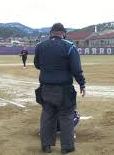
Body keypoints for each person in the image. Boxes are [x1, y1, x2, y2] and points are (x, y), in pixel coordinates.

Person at [34, 23, 86, 154]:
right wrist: (82, 84)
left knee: (47, 115)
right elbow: (76, 69)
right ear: (63, 33)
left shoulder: (41, 46)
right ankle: (66, 147)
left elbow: (37, 65)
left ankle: (46, 146)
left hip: (46, 88)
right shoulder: (69, 46)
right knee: (66, 116)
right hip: (64, 88)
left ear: (51, 33)